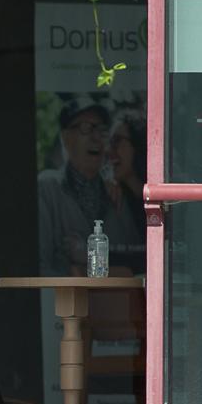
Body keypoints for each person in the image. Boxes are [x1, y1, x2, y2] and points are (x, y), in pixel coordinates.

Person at [38, 95, 143, 275]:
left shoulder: (115, 192)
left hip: (114, 301)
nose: (96, 137)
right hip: (65, 301)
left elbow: (137, 258)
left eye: (101, 129)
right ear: (65, 138)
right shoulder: (48, 187)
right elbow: (41, 264)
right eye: (86, 128)